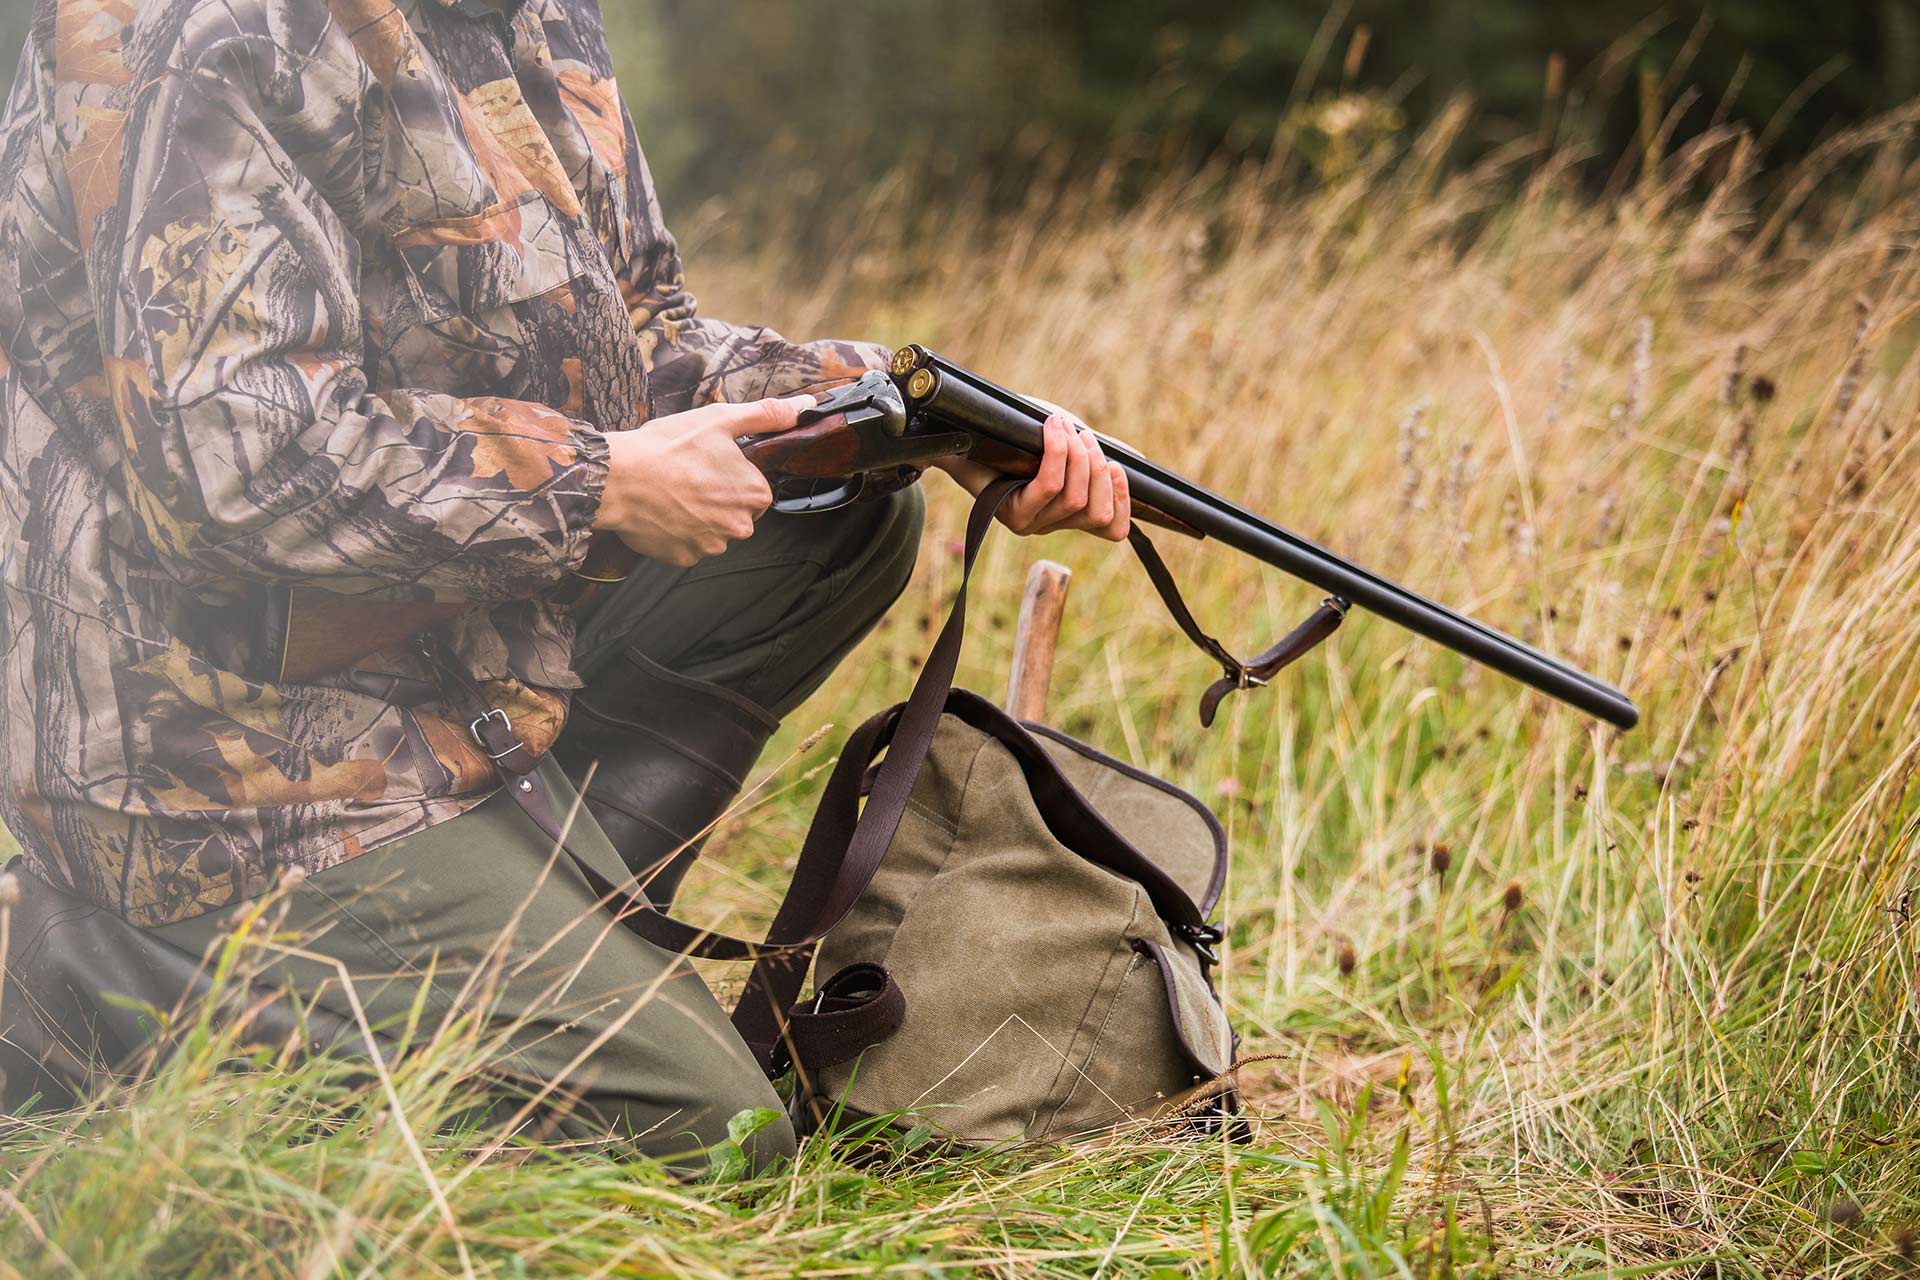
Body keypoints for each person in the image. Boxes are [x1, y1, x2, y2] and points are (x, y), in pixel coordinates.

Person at [0, 0, 1128, 1172]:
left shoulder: (533, 18)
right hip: (208, 756)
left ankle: (543, 933)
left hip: (441, 674)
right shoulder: (196, 30)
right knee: (721, 1137)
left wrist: (920, 414)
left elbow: (645, 343)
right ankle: (102, 987)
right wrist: (593, 487)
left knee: (843, 504)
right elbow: (235, 449)